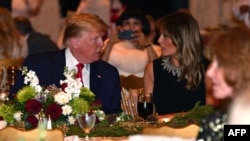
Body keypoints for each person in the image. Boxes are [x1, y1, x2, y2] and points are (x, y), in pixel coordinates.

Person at [9, 13, 123, 115]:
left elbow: (114, 116)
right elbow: (15, 106)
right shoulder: (38, 66)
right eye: (95, 39)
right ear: (75, 42)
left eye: (102, 38)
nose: (102, 44)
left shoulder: (109, 74)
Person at [143, 12, 209, 116]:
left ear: (182, 38)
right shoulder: (152, 69)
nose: (159, 40)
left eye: (165, 35)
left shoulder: (208, 69)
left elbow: (212, 113)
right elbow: (149, 115)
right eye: (160, 34)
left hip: (197, 130)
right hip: (162, 131)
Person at [196, 25, 250, 140]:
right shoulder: (214, 123)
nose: (209, 73)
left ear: (242, 68)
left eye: (219, 64)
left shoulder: (216, 125)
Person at [101, 7, 161, 78]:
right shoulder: (110, 44)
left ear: (143, 27)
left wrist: (148, 45)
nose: (131, 27)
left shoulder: (153, 48)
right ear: (121, 27)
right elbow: (100, 67)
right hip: (116, 87)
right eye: (127, 23)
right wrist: (110, 44)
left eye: (136, 23)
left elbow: (157, 71)